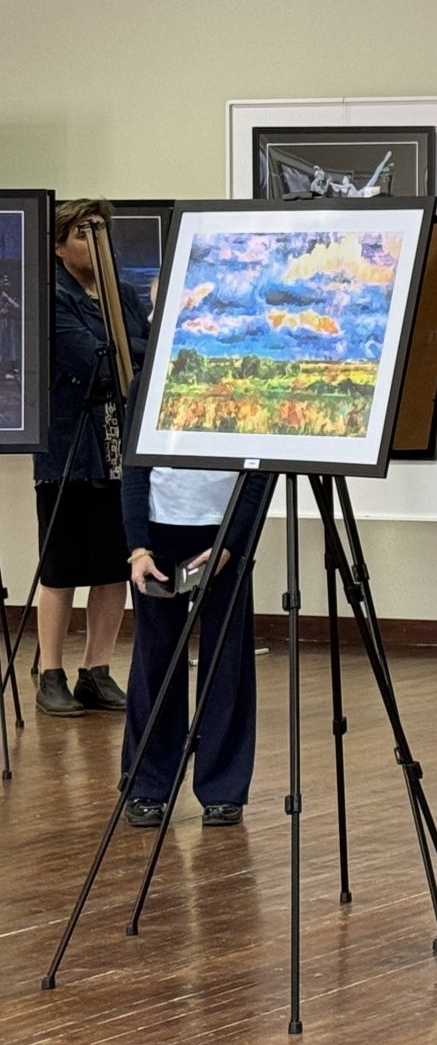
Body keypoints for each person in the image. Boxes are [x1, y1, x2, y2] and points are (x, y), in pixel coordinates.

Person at [32, 199, 149, 719]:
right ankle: (50, 672)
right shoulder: (51, 298)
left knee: (114, 566)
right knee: (61, 568)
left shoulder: (122, 294)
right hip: (71, 450)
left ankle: (96, 671)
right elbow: (96, 359)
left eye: (101, 232)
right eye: (83, 233)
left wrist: (131, 350)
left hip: (122, 448)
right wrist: (132, 350)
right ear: (59, 247)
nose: (94, 242)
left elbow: (140, 351)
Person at [121, 460, 272, 826]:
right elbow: (133, 465)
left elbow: (262, 469)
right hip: (159, 534)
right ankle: (148, 783)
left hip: (225, 531)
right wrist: (138, 546)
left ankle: (223, 788)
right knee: (154, 660)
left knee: (226, 662)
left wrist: (233, 543)